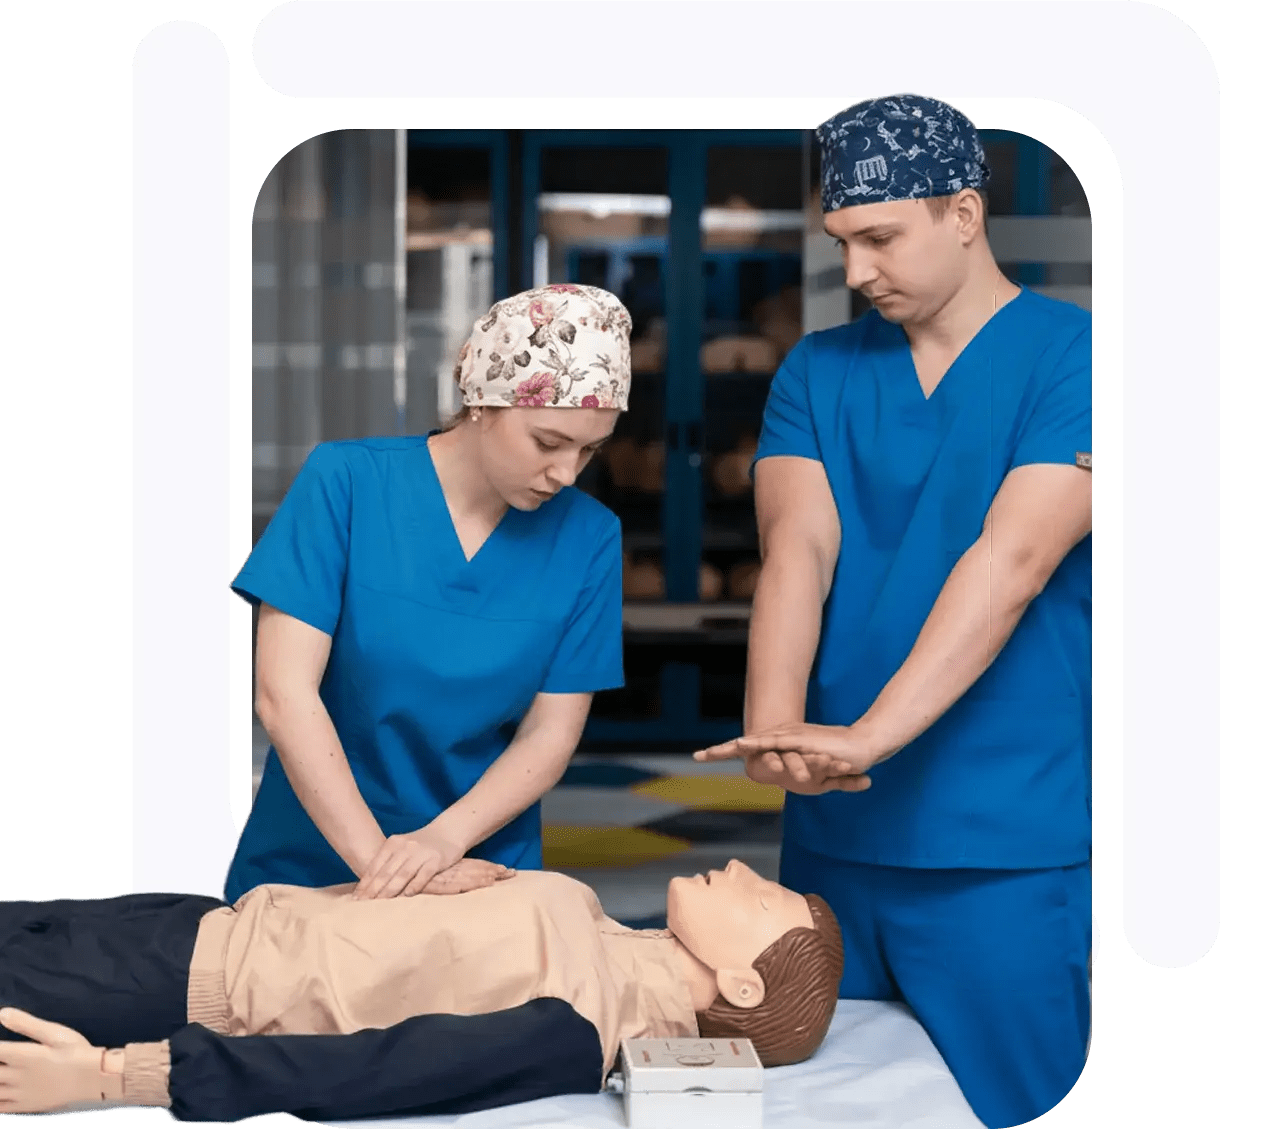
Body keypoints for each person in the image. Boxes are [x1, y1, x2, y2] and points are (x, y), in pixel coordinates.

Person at [696, 96, 1093, 1128]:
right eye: (842, 243)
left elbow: (1009, 560)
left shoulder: (1080, 358)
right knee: (826, 1102)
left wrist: (865, 733)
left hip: (995, 833)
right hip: (831, 828)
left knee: (1020, 1102)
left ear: (964, 212)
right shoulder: (816, 369)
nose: (857, 271)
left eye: (881, 238)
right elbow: (798, 549)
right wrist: (778, 725)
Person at [225, 284, 634, 905]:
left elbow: (549, 734)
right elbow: (283, 693)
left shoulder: (590, 537)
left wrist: (443, 842)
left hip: (479, 866)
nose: (566, 474)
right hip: (315, 862)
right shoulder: (348, 483)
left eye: (589, 450)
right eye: (548, 443)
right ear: (481, 402)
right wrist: (384, 867)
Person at [0, 860, 843, 1121]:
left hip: (158, 990)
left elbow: (367, 1071)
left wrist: (117, 1076)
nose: (739, 867)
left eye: (760, 900)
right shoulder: (599, 923)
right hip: (183, 926)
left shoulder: (576, 1029)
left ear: (740, 981)